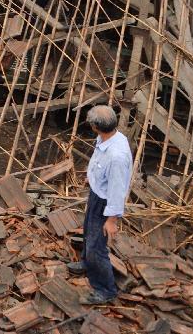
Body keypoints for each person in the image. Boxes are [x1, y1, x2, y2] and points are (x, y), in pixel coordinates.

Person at [68, 105, 132, 305]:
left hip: (105, 202)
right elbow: (100, 163)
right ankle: (88, 263)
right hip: (97, 194)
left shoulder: (116, 156)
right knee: (89, 232)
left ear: (95, 126)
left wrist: (112, 220)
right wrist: (92, 178)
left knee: (97, 247)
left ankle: (105, 290)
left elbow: (117, 190)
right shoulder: (108, 138)